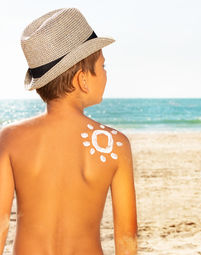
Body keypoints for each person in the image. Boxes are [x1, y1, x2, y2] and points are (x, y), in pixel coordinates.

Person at [0, 8, 137, 255]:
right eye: (103, 66)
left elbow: (0, 225)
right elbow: (126, 236)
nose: (106, 73)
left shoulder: (10, 138)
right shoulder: (116, 145)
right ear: (82, 79)